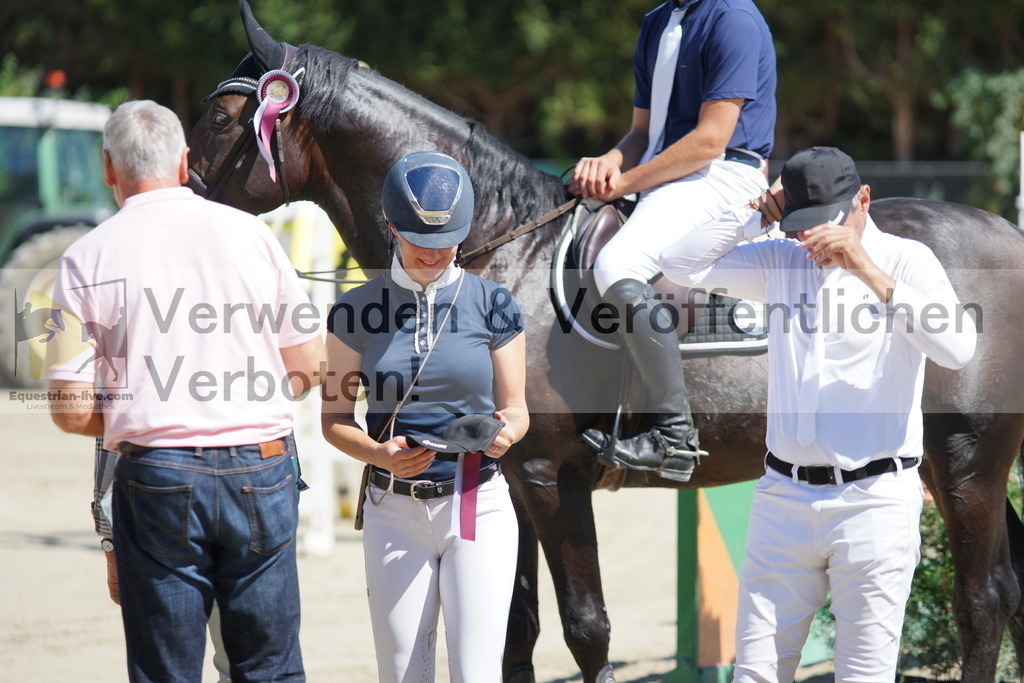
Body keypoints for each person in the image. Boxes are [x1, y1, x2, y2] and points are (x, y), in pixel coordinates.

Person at [660, 146, 978, 681]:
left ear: (863, 201)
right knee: (755, 674)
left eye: (823, 226)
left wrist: (867, 269)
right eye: (800, 226)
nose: (812, 241)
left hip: (874, 502)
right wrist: (762, 211)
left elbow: (959, 348)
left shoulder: (906, 260)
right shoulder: (782, 258)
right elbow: (678, 263)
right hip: (783, 500)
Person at [45, 100, 324, 682]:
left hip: (158, 477)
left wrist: (147, 408)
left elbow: (69, 413)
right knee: (270, 667)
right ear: (185, 160)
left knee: (166, 670)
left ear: (108, 168)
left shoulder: (83, 258)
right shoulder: (253, 235)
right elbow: (308, 369)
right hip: (262, 467)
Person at [321, 151, 528, 682]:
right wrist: (376, 452)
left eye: (446, 243)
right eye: (420, 242)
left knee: (476, 673)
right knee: (404, 675)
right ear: (392, 228)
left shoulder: (496, 303)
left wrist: (505, 433)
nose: (434, 255)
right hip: (393, 508)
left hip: (475, 504)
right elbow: (334, 418)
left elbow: (517, 410)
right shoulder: (353, 312)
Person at [569, 0, 777, 482]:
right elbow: (643, 133)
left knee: (616, 264)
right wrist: (609, 162)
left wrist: (625, 184)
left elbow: (710, 140)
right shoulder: (656, 22)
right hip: (670, 175)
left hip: (724, 176)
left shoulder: (733, 19)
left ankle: (674, 435)